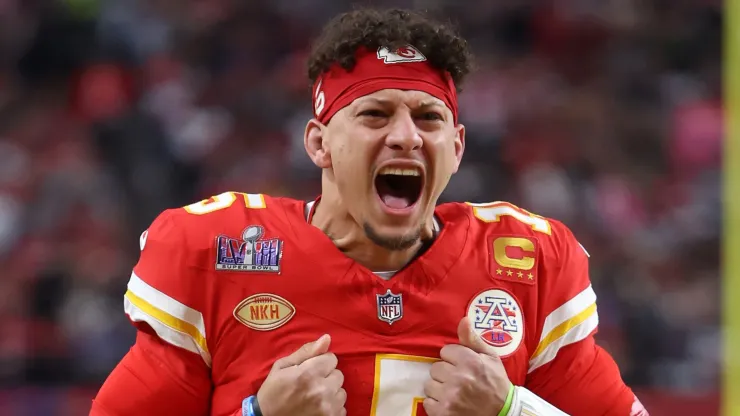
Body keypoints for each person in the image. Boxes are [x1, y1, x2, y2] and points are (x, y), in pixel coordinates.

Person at [90, 8, 649, 416]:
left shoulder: (527, 260)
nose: (405, 136)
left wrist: (511, 410)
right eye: (375, 114)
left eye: (428, 119)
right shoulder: (219, 253)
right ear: (319, 144)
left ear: (456, 148)